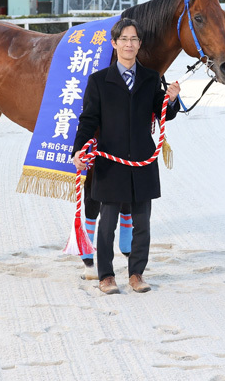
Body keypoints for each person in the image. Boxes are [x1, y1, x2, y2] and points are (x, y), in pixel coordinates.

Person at [72, 18, 181, 295]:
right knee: (106, 223)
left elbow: (164, 112)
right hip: (111, 161)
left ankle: (136, 274)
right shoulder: (98, 81)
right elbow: (88, 119)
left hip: (143, 159)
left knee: (142, 222)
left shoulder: (150, 78)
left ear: (139, 44)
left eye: (134, 39)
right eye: (124, 39)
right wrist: (78, 150)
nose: (129, 44)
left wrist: (172, 98)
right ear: (114, 43)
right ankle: (106, 276)